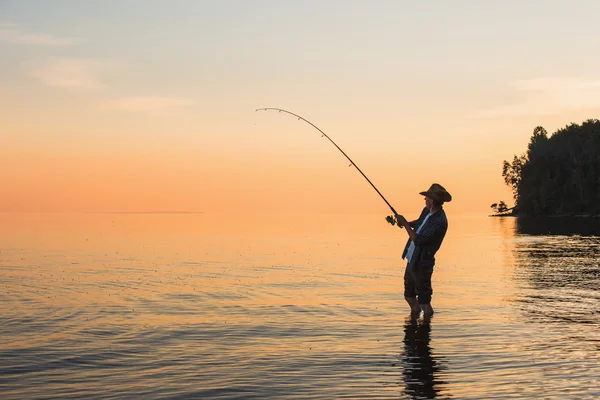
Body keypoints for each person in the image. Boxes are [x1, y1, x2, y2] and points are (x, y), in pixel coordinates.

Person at [394, 183, 451, 317]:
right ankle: (413, 322)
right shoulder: (427, 211)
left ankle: (425, 329)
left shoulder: (440, 221)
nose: (424, 200)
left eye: (426, 198)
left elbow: (418, 240)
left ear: (431, 201)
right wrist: (405, 223)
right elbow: (420, 222)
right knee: (409, 295)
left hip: (422, 263)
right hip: (412, 258)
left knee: (424, 301)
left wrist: (405, 223)